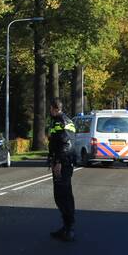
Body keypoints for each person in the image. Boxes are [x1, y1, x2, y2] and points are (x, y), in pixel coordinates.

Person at [47, 98, 77, 242]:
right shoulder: (66, 120)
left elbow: (65, 143)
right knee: (64, 195)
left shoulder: (60, 121)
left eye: (50, 108)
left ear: (55, 108)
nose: (49, 111)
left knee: (62, 196)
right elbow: (58, 141)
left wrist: (58, 161)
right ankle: (66, 227)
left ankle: (69, 228)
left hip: (63, 163)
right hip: (65, 162)